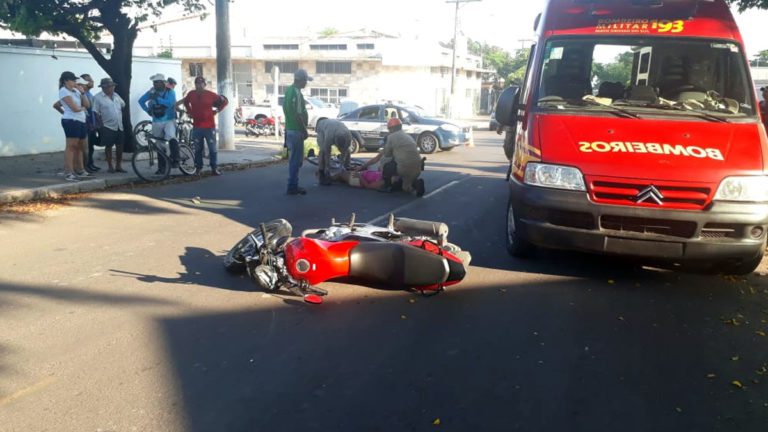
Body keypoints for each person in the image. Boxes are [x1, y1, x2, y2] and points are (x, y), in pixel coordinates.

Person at [356, 118, 425, 197]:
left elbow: (386, 155)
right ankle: (417, 184)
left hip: (404, 169)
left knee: (388, 166)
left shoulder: (391, 137)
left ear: (391, 128)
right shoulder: (407, 136)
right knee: (406, 187)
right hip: (417, 168)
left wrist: (362, 167)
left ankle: (387, 186)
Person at [174, 76, 228, 175]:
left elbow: (225, 102)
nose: (199, 85)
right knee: (198, 149)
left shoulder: (211, 95)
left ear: (204, 84)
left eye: (201, 83)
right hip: (197, 127)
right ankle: (198, 168)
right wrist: (190, 112)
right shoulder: (191, 94)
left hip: (209, 127)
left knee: (212, 149)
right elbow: (186, 102)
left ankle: (214, 168)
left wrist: (217, 110)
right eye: (197, 84)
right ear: (195, 85)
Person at [53, 71, 91, 182]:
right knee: (71, 146)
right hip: (71, 121)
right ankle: (69, 172)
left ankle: (80, 169)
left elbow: (87, 105)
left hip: (81, 120)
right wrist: (81, 109)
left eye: (75, 80)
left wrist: (82, 93)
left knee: (80, 146)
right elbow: (75, 108)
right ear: (66, 81)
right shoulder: (63, 91)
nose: (75, 82)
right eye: (73, 80)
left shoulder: (76, 91)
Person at [138, 73, 178, 173]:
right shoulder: (151, 92)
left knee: (171, 137)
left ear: (162, 83)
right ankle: (161, 168)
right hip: (156, 121)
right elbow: (141, 101)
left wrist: (157, 99)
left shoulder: (170, 92)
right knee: (159, 145)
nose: (155, 84)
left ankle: (176, 159)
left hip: (169, 119)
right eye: (154, 82)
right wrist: (147, 110)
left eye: (157, 82)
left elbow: (170, 103)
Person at [282, 69, 312, 195]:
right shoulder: (297, 93)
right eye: (306, 80)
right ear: (300, 80)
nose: (306, 83)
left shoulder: (288, 91)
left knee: (295, 159)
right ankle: (293, 186)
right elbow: (298, 114)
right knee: (296, 160)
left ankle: (293, 184)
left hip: (290, 129)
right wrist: (304, 130)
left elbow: (286, 110)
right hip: (296, 130)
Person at [92, 78, 126, 173]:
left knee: (120, 146)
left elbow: (123, 106)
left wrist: (118, 116)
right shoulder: (97, 97)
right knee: (108, 146)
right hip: (107, 126)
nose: (113, 88)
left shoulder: (116, 96)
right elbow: (95, 112)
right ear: (104, 87)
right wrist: (101, 125)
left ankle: (118, 165)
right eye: (111, 86)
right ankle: (110, 166)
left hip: (119, 125)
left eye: (113, 86)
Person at [315, 118, 352, 185]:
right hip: (322, 126)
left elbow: (345, 151)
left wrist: (342, 167)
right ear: (335, 140)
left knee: (347, 150)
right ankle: (322, 173)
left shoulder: (348, 136)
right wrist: (327, 169)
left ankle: (346, 169)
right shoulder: (330, 136)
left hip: (335, 127)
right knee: (323, 151)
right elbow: (327, 153)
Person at [79, 74, 101, 172]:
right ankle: (85, 165)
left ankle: (90, 163)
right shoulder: (82, 94)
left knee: (91, 146)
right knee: (85, 147)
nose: (92, 82)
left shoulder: (90, 94)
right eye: (90, 80)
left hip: (92, 124)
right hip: (86, 124)